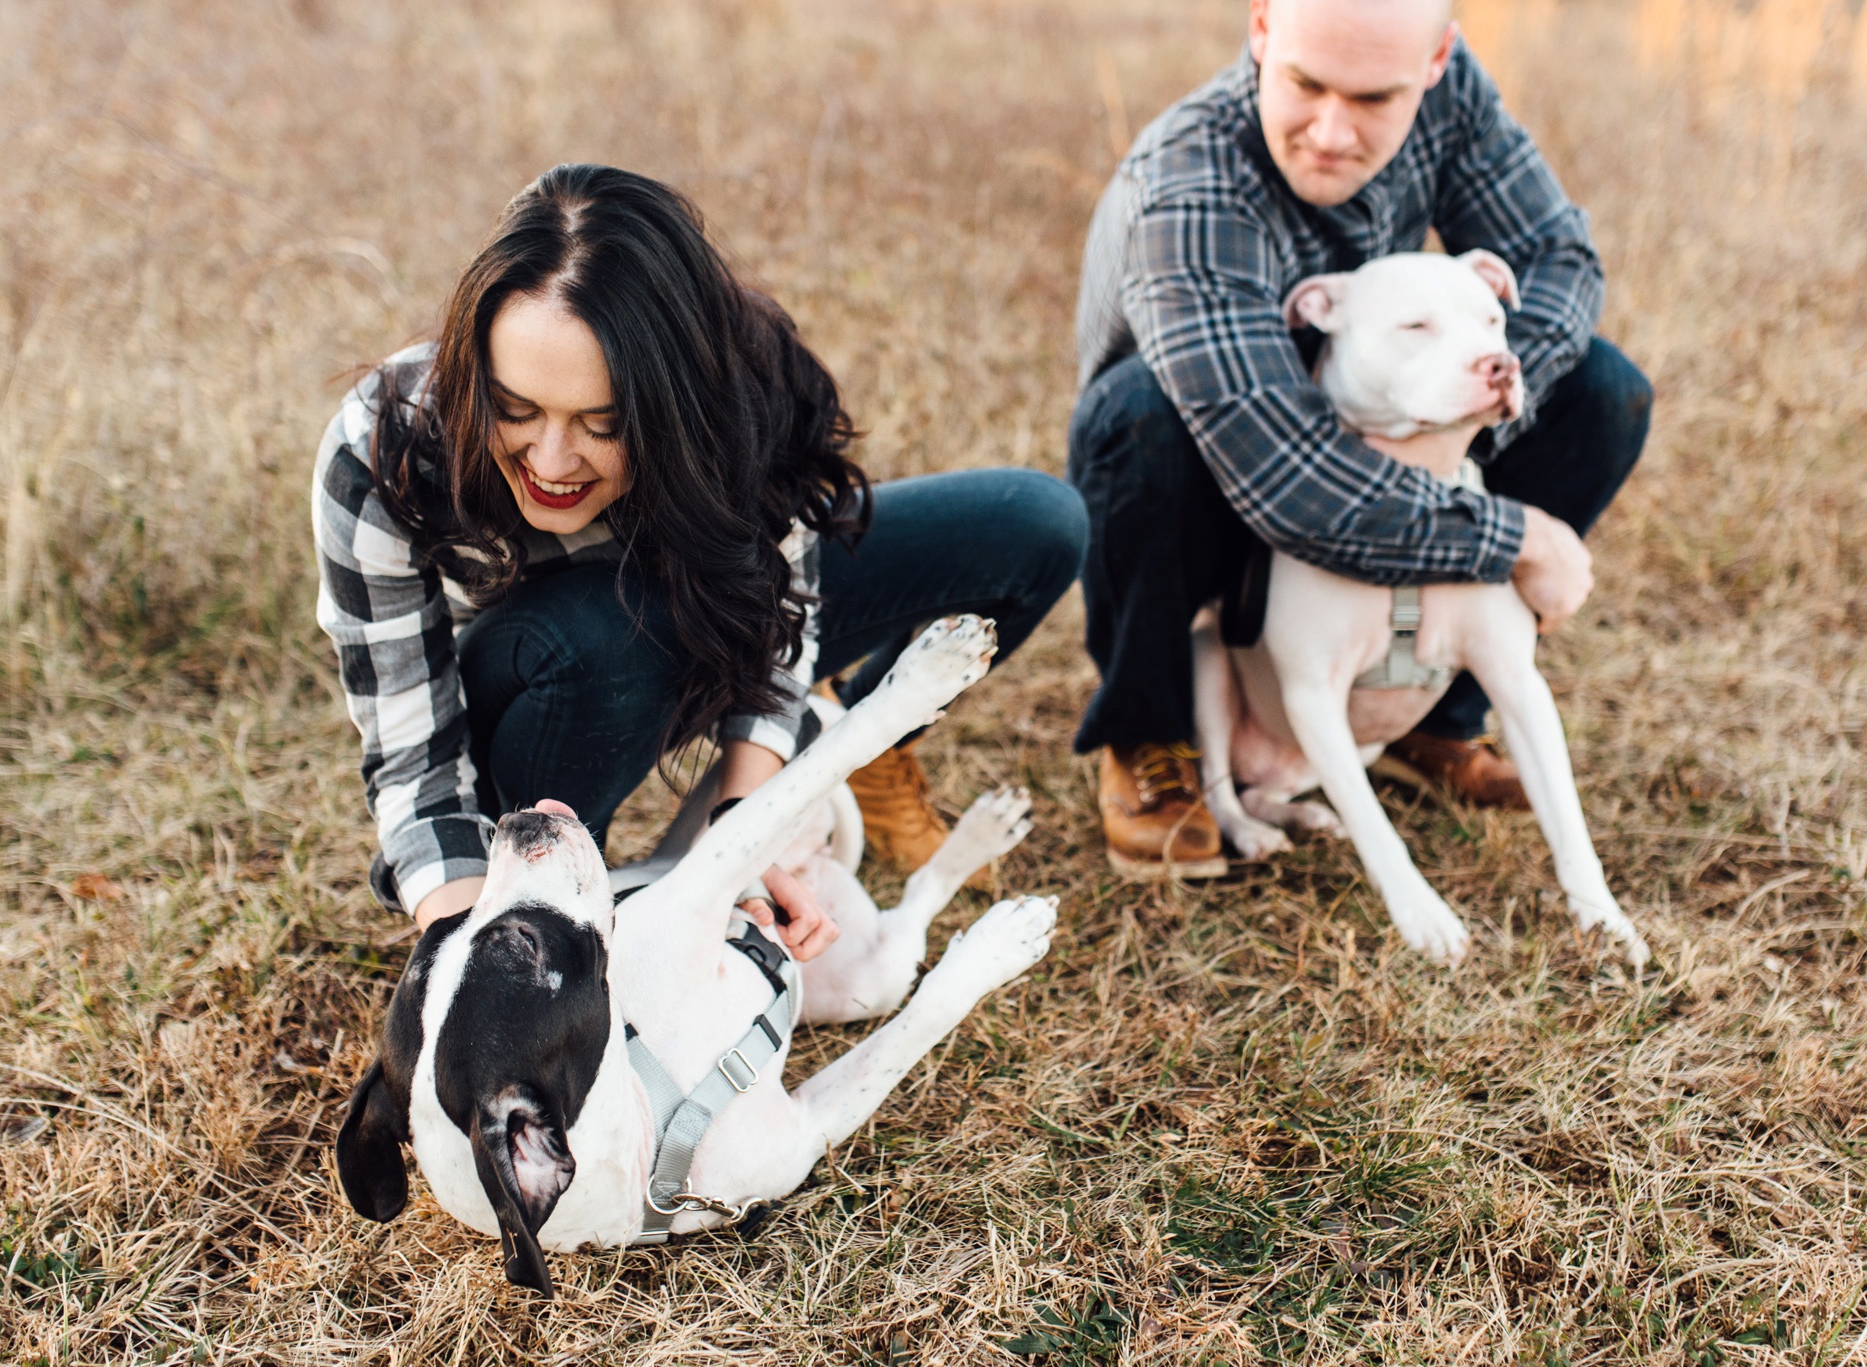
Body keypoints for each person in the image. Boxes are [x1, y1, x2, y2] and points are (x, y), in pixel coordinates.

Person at [313, 164, 1088, 951]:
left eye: (602, 422)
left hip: (705, 608)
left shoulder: (741, 392)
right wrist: (475, 948)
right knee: (609, 634)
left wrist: (743, 845)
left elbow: (783, 615)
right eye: (514, 410)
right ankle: (554, 891)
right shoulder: (383, 447)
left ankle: (853, 742)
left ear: (672, 404)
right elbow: (415, 761)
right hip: (544, 679)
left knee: (1033, 521)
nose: (550, 459)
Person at [1067, 0, 1650, 882]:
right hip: (1209, 474)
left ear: (1435, 60)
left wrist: (1476, 385)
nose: (1332, 132)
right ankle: (1151, 731)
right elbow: (1283, 475)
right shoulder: (1191, 177)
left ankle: (1428, 709)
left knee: (1602, 391)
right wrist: (1516, 537)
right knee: (1143, 415)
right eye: (1305, 84)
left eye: (1374, 97)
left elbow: (1555, 257)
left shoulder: (1456, 100)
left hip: (1382, 418)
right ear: (1262, 30)